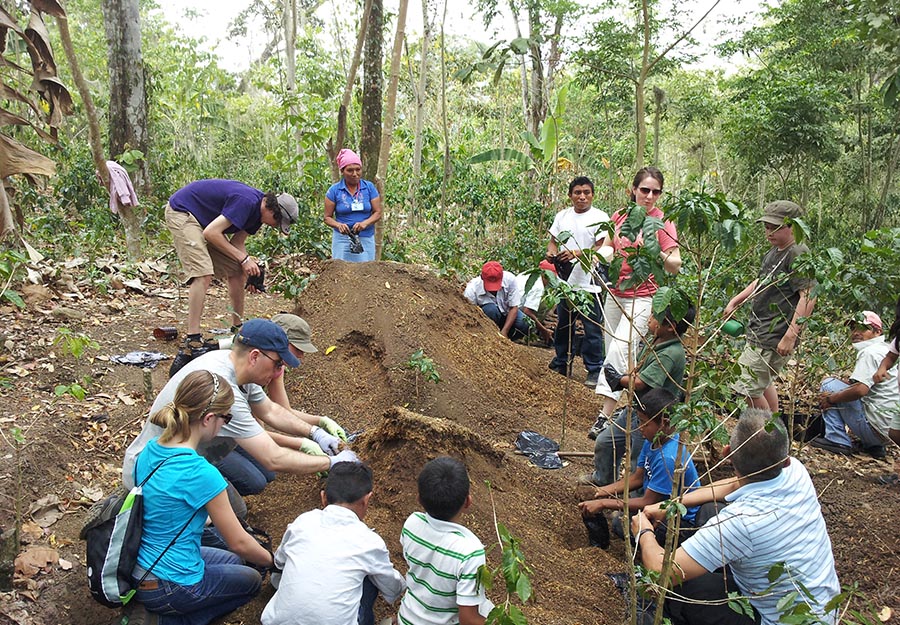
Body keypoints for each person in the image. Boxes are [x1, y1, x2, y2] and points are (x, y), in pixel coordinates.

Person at [634, 408, 840, 625]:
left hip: (777, 619)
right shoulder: (795, 471)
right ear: (785, 459)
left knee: (680, 589)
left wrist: (643, 530)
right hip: (824, 608)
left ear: (727, 454)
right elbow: (733, 485)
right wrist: (670, 505)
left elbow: (662, 571)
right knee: (708, 511)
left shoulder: (740, 522)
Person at [123, 319, 357, 496]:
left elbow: (271, 411)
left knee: (263, 476)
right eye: (277, 364)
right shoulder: (225, 389)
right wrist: (332, 462)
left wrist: (315, 432)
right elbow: (273, 458)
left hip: (186, 450)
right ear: (255, 356)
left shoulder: (236, 365)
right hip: (153, 475)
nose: (278, 373)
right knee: (239, 504)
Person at [127, 370, 274, 625]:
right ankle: (165, 621)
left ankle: (157, 607)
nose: (225, 425)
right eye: (225, 418)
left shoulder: (149, 451)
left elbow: (165, 506)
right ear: (208, 418)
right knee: (251, 580)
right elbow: (239, 541)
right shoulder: (201, 473)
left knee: (232, 560)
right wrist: (274, 562)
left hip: (139, 566)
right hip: (171, 584)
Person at [261, 462, 405, 625]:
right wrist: (405, 583)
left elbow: (280, 563)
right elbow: (391, 587)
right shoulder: (369, 541)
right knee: (370, 579)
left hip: (276, 621)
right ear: (366, 500)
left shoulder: (302, 522)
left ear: (323, 497)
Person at [165, 179, 299, 353]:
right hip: (184, 213)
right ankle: (193, 337)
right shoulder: (247, 201)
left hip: (206, 223)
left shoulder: (257, 217)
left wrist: (249, 268)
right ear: (273, 211)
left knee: (237, 270)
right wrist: (244, 260)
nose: (274, 226)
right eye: (277, 222)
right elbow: (211, 233)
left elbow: (237, 244)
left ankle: (237, 327)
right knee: (203, 274)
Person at [594, 167, 681, 424]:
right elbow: (607, 246)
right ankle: (631, 410)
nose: (650, 196)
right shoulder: (620, 217)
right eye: (645, 190)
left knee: (620, 350)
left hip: (644, 295)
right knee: (615, 350)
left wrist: (654, 251)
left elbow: (675, 263)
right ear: (634, 190)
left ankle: (604, 416)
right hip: (616, 291)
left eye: (656, 192)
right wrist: (600, 255)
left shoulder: (663, 222)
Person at [587, 303, 694, 487]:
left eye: (654, 316)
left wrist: (619, 379)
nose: (649, 318)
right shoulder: (656, 341)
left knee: (638, 462)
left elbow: (640, 382)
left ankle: (633, 504)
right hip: (636, 408)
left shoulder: (670, 353)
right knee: (605, 442)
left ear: (670, 326)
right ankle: (602, 481)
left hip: (651, 418)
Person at [725, 200, 815, 412]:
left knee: (745, 388)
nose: (769, 232)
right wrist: (735, 300)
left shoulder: (797, 252)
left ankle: (767, 437)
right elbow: (761, 281)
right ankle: (775, 433)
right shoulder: (775, 251)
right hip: (760, 329)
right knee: (762, 384)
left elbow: (809, 295)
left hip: (774, 333)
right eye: (766, 227)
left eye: (775, 227)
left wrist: (790, 335)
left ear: (793, 227)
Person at [578, 388, 700, 542]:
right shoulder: (654, 441)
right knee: (621, 521)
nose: (639, 427)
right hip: (659, 507)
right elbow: (637, 478)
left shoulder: (668, 458)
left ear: (664, 423)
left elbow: (648, 501)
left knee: (621, 525)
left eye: (643, 422)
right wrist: (599, 492)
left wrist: (603, 503)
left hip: (680, 522)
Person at [398, 457, 493, 625]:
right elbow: (468, 620)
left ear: (419, 499)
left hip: (407, 618)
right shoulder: (470, 552)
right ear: (468, 502)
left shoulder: (412, 523)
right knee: (489, 610)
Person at [546, 176, 611, 385]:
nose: (582, 197)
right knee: (564, 324)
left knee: (592, 327)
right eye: (577, 192)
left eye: (586, 192)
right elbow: (553, 243)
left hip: (590, 280)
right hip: (566, 281)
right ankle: (561, 361)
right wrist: (552, 254)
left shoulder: (600, 217)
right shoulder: (562, 216)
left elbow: (603, 247)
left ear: (593, 194)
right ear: (570, 195)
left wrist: (576, 253)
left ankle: (594, 369)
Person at [810, 311, 900, 459]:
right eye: (853, 328)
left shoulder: (870, 352)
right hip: (891, 431)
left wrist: (831, 399)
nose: (856, 333)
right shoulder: (885, 350)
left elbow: (860, 390)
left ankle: (836, 440)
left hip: (877, 430)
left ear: (877, 331)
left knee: (829, 384)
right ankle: (874, 447)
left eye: (862, 328)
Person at [325, 149, 383, 262]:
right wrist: (338, 225)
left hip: (365, 237)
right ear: (342, 171)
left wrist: (365, 223)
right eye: (350, 170)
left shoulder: (369, 188)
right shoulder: (334, 191)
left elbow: (378, 213)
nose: (355, 174)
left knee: (366, 272)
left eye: (358, 169)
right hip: (342, 240)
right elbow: (327, 218)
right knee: (342, 273)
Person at [463, 261, 530, 340]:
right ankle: (491, 337)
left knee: (525, 323)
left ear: (502, 277)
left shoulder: (510, 280)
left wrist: (504, 331)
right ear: (482, 277)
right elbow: (470, 313)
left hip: (507, 313)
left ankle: (510, 337)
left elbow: (513, 307)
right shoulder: (472, 289)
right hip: (488, 318)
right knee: (491, 310)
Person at [514, 260, 556, 344]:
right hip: (514, 312)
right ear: (545, 275)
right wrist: (543, 330)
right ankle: (518, 336)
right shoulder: (538, 286)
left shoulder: (527, 274)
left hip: (510, 307)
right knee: (527, 323)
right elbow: (527, 311)